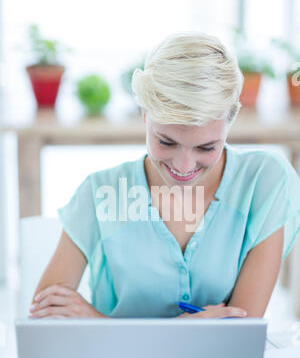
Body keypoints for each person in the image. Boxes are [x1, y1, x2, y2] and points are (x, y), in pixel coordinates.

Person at [29, 32, 300, 320]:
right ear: (144, 114)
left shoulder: (264, 182)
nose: (184, 167)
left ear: (229, 122)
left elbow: (241, 330)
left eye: (206, 147)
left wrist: (100, 325)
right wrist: (183, 333)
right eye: (166, 142)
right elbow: (46, 322)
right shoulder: (100, 191)